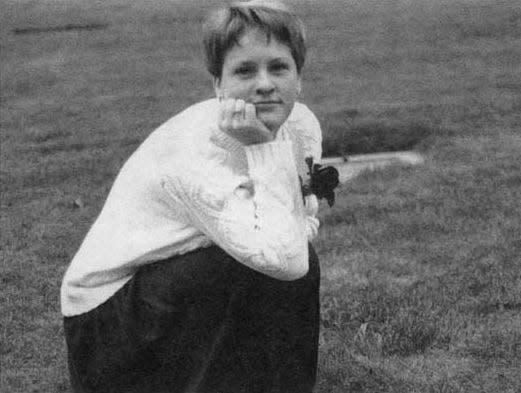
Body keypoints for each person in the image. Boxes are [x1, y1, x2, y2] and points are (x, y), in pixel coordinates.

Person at [61, 1, 333, 392]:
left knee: (285, 263)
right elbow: (284, 259)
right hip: (108, 320)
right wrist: (262, 149)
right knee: (236, 268)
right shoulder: (195, 152)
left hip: (180, 277)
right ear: (218, 84)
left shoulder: (301, 126)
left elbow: (297, 231)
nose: (264, 84)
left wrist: (277, 207)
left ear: (298, 78)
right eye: (244, 70)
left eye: (278, 67)